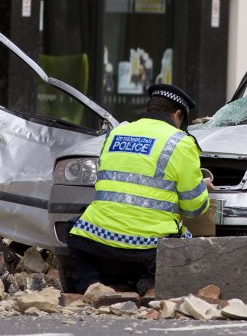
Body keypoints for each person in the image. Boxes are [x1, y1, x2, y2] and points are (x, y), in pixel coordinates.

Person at [67, 83, 211, 295]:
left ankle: (91, 285)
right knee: (185, 243)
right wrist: (202, 187)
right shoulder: (180, 142)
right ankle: (152, 284)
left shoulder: (116, 133)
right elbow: (194, 208)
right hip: (150, 248)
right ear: (178, 114)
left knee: (75, 228)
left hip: (98, 239)